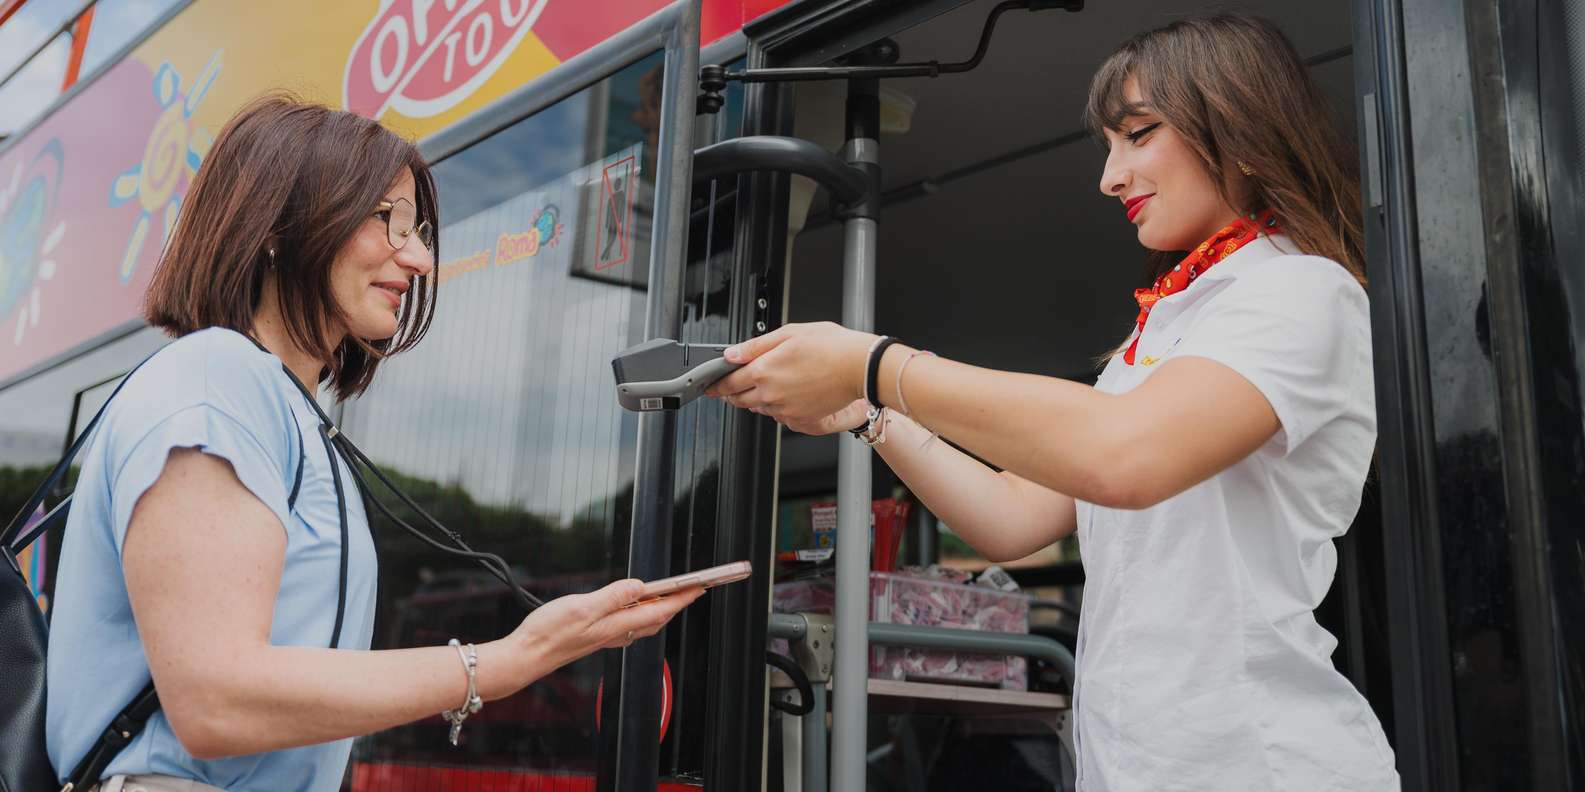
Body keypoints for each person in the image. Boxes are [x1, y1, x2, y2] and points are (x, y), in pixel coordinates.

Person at [706, 15, 1398, 791]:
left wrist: (870, 365)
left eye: (1137, 134)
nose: (1109, 177)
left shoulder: (1301, 288)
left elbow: (1122, 455)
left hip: (1261, 765)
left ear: (1238, 123)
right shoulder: (1168, 324)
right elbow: (1014, 519)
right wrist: (868, 415)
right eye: (1108, 145)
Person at [45, 95, 702, 792]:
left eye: (419, 230)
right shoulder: (218, 376)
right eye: (389, 220)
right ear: (279, 226)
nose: (419, 257)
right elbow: (217, 701)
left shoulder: (283, 407)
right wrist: (504, 662)